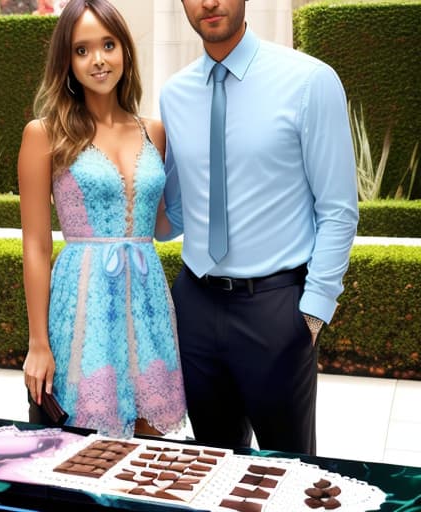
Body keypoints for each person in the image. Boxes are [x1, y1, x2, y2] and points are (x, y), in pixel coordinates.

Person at [158, 0, 359, 455]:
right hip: (194, 305)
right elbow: (175, 216)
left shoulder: (310, 81)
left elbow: (339, 209)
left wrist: (312, 314)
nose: (209, 2)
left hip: (275, 310)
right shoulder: (174, 94)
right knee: (211, 468)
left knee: (288, 474)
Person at [18, 0, 187, 439]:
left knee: (153, 454)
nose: (98, 60)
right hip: (83, 307)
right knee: (85, 454)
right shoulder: (45, 134)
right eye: (82, 49)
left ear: (124, 51)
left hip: (148, 305)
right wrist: (38, 344)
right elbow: (35, 245)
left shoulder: (156, 131)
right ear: (67, 62)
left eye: (108, 45)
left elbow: (166, 221)